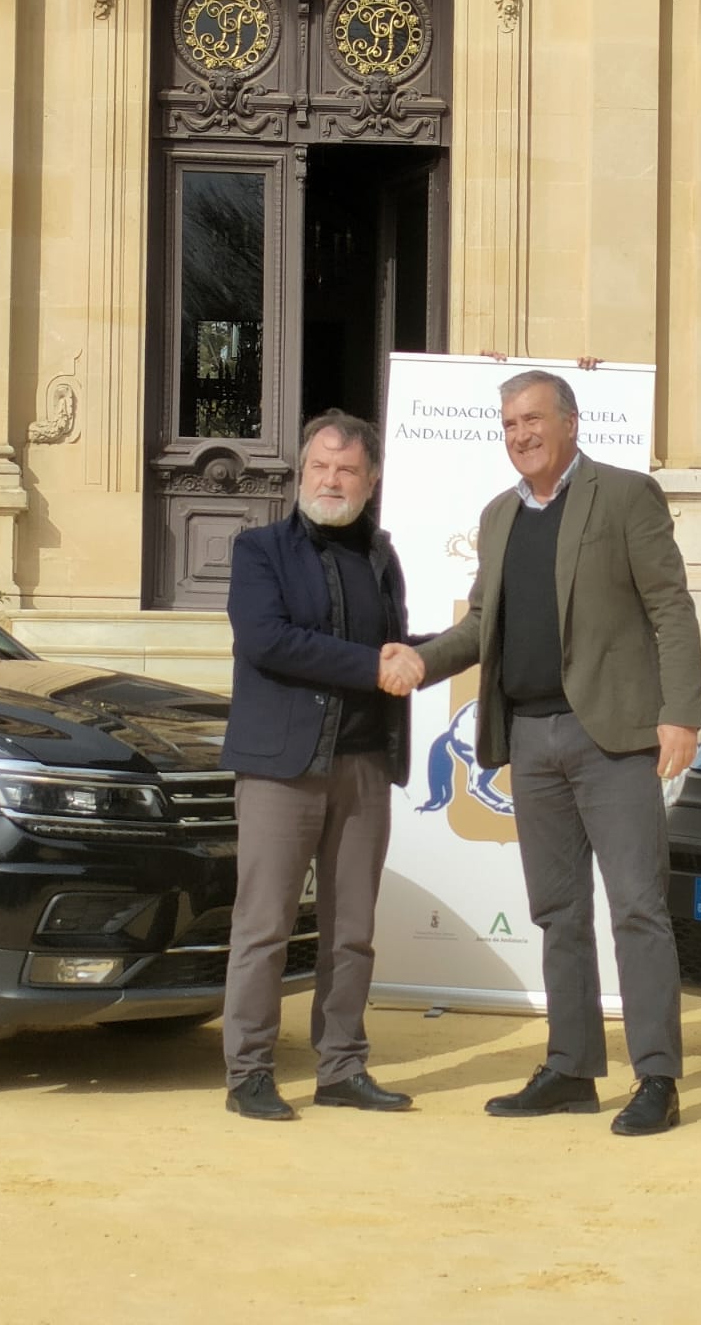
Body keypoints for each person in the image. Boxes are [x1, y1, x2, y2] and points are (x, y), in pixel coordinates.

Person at [409, 369, 701, 1135]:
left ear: (570, 422)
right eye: (508, 424)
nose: (520, 435)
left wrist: (682, 715)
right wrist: (421, 662)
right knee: (558, 912)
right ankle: (572, 1067)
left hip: (614, 735)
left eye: (532, 419)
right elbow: (481, 626)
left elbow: (670, 606)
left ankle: (657, 1079)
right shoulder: (500, 515)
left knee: (638, 908)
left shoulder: (625, 496)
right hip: (529, 738)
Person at [219, 410, 427, 1121]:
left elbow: (396, 649)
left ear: (371, 482)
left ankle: (341, 1066)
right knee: (265, 925)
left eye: (347, 470)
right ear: (300, 474)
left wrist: (447, 648)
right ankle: (248, 1072)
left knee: (351, 929)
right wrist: (374, 665)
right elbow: (267, 641)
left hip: (364, 763)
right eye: (319, 467)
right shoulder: (258, 550)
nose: (331, 480)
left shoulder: (382, 558)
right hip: (281, 766)